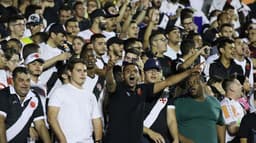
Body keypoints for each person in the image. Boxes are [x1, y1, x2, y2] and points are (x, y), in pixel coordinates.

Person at [103, 57, 201, 143]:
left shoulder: (144, 90)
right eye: (128, 71)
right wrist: (109, 71)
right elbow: (110, 84)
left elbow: (168, 82)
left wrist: (189, 72)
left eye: (135, 71)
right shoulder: (118, 89)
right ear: (122, 76)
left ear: (138, 75)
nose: (132, 73)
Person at [48, 58, 103, 143]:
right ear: (70, 72)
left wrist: (98, 141)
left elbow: (96, 120)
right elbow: (52, 118)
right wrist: (63, 140)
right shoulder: (59, 92)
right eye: (78, 70)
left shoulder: (90, 96)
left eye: (84, 71)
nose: (82, 74)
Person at [0, 66, 51, 143]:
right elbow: (0, 122)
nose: (25, 84)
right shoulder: (3, 95)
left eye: (27, 80)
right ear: (13, 82)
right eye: (21, 80)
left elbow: (40, 125)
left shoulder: (34, 97)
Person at [174, 73, 225, 143]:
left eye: (196, 82)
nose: (192, 85)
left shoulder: (214, 101)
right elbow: (169, 126)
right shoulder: (178, 103)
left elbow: (220, 124)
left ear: (204, 84)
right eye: (189, 83)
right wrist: (183, 139)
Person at [142, 58, 179, 143]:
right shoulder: (137, 92)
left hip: (163, 140)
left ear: (161, 74)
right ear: (143, 74)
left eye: (157, 70)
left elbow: (171, 120)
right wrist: (150, 132)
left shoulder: (166, 95)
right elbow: (131, 121)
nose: (153, 73)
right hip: (141, 138)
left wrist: (176, 139)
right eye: (150, 70)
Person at [221, 77, 246, 142]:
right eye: (238, 84)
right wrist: (247, 124)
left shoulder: (235, 103)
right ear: (232, 88)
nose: (242, 86)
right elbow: (231, 128)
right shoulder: (225, 105)